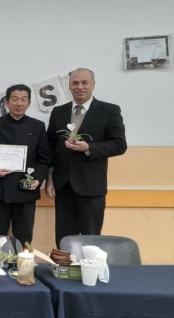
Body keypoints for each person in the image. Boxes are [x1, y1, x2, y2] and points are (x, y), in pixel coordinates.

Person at [45, 68, 127, 246]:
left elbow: (120, 145)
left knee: (91, 240)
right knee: (63, 239)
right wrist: (50, 178)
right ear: (69, 86)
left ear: (93, 85)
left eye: (84, 83)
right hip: (63, 186)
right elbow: (51, 148)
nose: (79, 87)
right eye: (75, 83)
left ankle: (89, 273)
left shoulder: (109, 110)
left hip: (92, 188)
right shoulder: (58, 112)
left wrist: (89, 147)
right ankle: (65, 272)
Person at [0, 84, 51, 245]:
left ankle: (23, 268)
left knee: (24, 239)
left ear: (29, 103)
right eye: (15, 99)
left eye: (23, 99)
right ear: (6, 102)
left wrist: (38, 179)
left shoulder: (38, 126)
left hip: (26, 191)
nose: (19, 103)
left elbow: (44, 159)